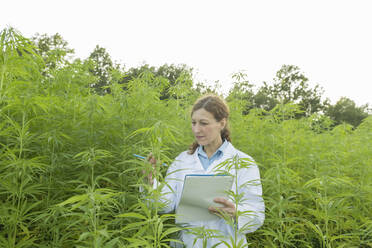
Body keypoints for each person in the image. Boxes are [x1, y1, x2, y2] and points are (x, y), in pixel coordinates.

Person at [146, 94, 265, 247]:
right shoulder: (182, 161)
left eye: (203, 123)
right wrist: (150, 182)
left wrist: (236, 213)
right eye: (193, 123)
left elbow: (256, 215)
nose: (196, 130)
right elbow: (164, 205)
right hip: (187, 243)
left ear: (222, 123)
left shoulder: (244, 163)